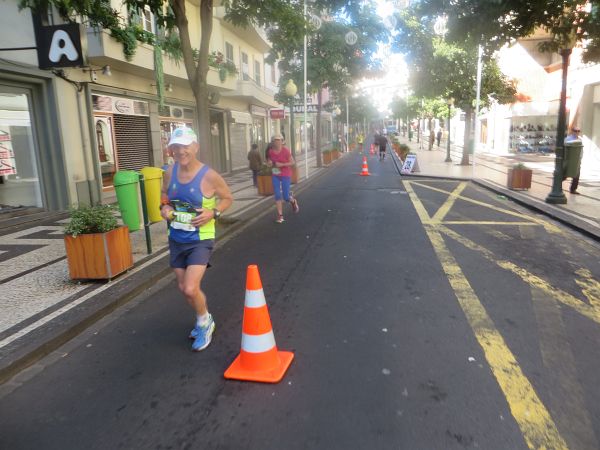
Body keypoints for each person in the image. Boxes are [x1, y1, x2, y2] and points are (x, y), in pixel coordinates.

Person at [159, 127, 233, 352]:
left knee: (191, 288)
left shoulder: (209, 175)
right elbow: (164, 194)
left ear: (196, 147)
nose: (181, 151)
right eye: (176, 147)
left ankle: (203, 323)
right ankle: (204, 317)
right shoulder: (169, 172)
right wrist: (164, 207)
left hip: (200, 239)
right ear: (171, 149)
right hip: (176, 238)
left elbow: (227, 198)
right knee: (183, 288)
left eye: (185, 146)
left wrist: (214, 213)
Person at [266, 134, 299, 223]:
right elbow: (270, 161)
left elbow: (292, 162)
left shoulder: (286, 151)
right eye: (275, 140)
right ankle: (280, 215)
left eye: (279, 140)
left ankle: (293, 201)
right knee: (277, 194)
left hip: (285, 173)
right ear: (273, 142)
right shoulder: (270, 151)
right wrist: (269, 163)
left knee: (286, 197)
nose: (277, 142)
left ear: (282, 141)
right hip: (276, 173)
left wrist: (282, 164)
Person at [565, 126, 582, 194]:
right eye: (576, 131)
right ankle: (558, 185)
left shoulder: (580, 139)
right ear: (572, 131)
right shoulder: (568, 139)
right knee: (565, 175)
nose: (577, 132)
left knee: (577, 175)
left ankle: (573, 189)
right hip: (570, 160)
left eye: (578, 131)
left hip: (577, 160)